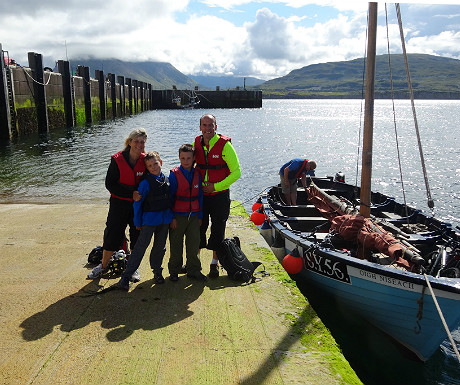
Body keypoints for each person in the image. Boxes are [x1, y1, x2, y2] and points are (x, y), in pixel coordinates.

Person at [88, 128, 147, 280]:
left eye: (142, 142)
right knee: (112, 235)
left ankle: (133, 268)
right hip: (119, 204)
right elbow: (110, 184)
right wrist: (130, 194)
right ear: (129, 142)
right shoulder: (117, 159)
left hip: (137, 206)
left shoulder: (145, 160)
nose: (139, 144)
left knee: (136, 236)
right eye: (136, 141)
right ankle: (103, 266)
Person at [117, 151, 173, 290]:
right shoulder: (145, 184)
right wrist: (137, 222)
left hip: (164, 221)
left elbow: (170, 201)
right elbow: (137, 204)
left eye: (155, 163)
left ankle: (157, 271)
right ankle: (126, 276)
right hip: (149, 222)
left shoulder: (166, 180)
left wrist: (171, 218)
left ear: (161, 163)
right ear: (146, 168)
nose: (154, 167)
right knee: (140, 248)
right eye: (149, 165)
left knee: (160, 248)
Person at [194, 113, 241, 278]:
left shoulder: (225, 146)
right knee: (198, 227)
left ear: (216, 126)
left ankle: (214, 263)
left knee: (218, 228)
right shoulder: (196, 143)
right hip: (201, 195)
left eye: (211, 125)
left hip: (219, 196)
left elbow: (236, 172)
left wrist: (215, 187)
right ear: (200, 127)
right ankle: (195, 262)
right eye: (204, 125)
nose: (208, 129)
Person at [168, 144, 206, 282]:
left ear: (194, 158)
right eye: (183, 158)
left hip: (194, 216)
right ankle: (174, 270)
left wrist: (200, 215)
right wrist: (172, 218)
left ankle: (194, 270)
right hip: (178, 216)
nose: (186, 161)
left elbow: (200, 196)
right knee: (176, 244)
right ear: (179, 158)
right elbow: (169, 199)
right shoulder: (174, 175)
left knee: (194, 244)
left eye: (189, 158)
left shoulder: (197, 174)